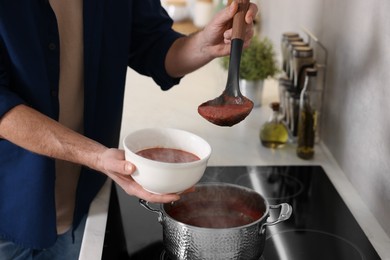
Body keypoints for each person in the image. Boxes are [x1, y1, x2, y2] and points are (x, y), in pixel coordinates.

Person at [0, 0, 258, 259]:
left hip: (87, 198)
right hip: (9, 206)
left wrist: (204, 44)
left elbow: (153, 45)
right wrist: (95, 156)